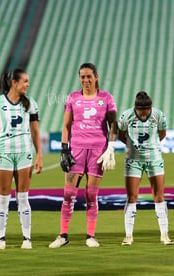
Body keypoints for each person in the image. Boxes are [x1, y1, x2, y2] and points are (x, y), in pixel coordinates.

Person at [49, 63, 118, 248]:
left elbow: (113, 124)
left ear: (96, 76)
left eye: (89, 76)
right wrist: (64, 150)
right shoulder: (72, 98)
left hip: (98, 151)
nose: (86, 80)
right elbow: (66, 126)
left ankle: (90, 236)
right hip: (77, 150)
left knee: (91, 195)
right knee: (68, 194)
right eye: (82, 77)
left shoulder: (106, 98)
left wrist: (110, 147)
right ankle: (63, 235)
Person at [0, 69, 42, 250]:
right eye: (25, 81)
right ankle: (1, 239)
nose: (28, 84)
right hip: (3, 153)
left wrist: (39, 155)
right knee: (3, 198)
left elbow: (35, 132)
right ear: (14, 83)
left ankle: (27, 239)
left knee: (23, 198)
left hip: (24, 153)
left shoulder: (31, 103)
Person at [118, 91, 173, 246]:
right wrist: (131, 146)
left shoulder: (158, 115)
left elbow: (162, 134)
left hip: (154, 158)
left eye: (146, 112)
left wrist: (150, 147)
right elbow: (121, 134)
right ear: (135, 108)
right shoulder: (126, 116)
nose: (143, 115)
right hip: (133, 160)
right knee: (132, 197)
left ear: (150, 108)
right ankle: (128, 236)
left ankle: (164, 234)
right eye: (141, 112)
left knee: (159, 196)